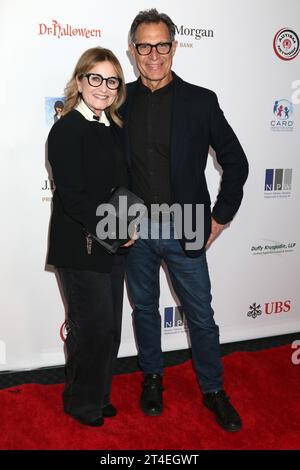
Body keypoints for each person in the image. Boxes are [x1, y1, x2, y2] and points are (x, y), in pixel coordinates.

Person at [122, 9, 249, 432]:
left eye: (162, 45)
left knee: (200, 315)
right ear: (133, 49)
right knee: (144, 308)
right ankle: (153, 377)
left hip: (188, 227)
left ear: (174, 48)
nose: (153, 54)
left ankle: (213, 390)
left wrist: (220, 218)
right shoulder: (120, 99)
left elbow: (236, 162)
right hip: (134, 229)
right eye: (145, 45)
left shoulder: (201, 100)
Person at [47, 47, 132, 427]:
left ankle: (96, 394)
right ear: (80, 82)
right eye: (95, 78)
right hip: (80, 248)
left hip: (110, 245)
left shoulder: (113, 127)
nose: (103, 87)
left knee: (109, 329)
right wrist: (114, 230)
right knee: (91, 329)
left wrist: (128, 225)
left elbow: (121, 186)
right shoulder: (66, 128)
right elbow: (73, 197)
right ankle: (82, 403)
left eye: (111, 80)